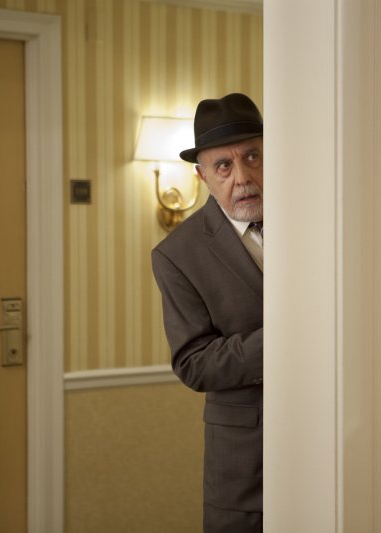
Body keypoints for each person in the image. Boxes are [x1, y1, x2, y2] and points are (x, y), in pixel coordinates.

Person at [151, 92, 264, 532]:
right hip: (245, 463)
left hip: (336, 440)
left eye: (252, 156)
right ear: (201, 175)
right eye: (223, 165)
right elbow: (194, 363)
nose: (243, 177)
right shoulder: (177, 254)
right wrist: (286, 339)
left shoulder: (322, 222)